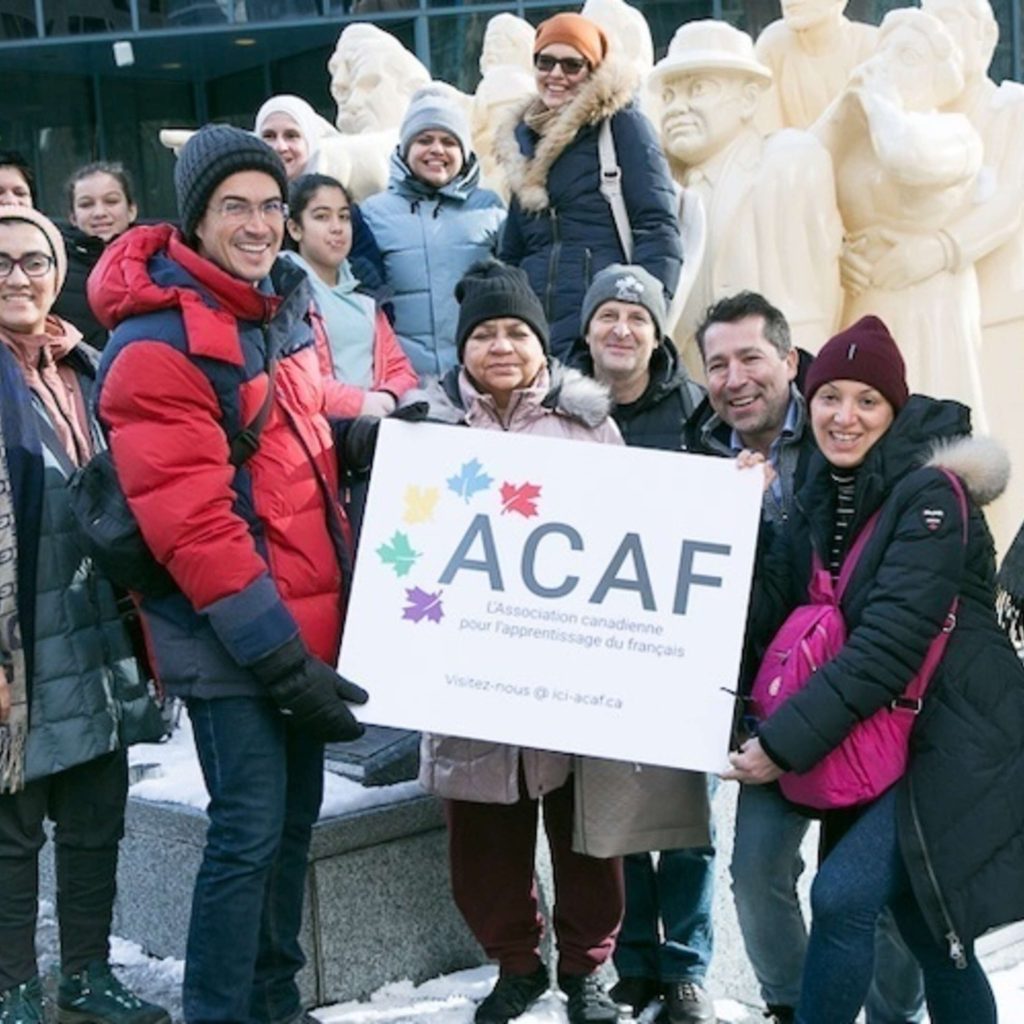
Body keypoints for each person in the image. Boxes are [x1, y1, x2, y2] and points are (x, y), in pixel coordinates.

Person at [88, 124, 368, 1024]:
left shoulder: (271, 310)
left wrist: (389, 426)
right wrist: (282, 661)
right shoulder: (157, 346)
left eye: (270, 206)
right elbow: (197, 526)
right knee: (247, 834)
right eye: (234, 206)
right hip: (232, 634)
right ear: (197, 218)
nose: (258, 224)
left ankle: (272, 1000)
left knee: (287, 828)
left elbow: (306, 424)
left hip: (295, 616)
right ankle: (220, 1010)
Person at [726, 316, 1024, 1024]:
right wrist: (747, 517)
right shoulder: (821, 490)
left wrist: (783, 743)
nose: (844, 416)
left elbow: (888, 645)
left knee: (842, 897)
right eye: (830, 397)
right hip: (884, 732)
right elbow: (780, 615)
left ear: (894, 412)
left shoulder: (929, 498)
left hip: (954, 737)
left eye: (867, 401)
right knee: (931, 931)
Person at [690, 292, 922, 1024]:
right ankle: (793, 1006)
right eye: (717, 364)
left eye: (751, 357)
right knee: (756, 871)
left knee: (867, 892)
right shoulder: (699, 454)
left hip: (873, 708)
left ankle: (893, 1013)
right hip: (775, 705)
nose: (734, 379)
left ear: (790, 362)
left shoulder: (851, 433)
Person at [417, 260, 624, 1024]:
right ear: (462, 347)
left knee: (588, 836)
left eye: (516, 332)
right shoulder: (427, 426)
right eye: (485, 333)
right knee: (482, 840)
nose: (501, 346)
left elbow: (630, 527)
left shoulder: (588, 425)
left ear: (541, 345)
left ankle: (586, 969)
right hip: (467, 670)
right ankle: (516, 963)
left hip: (570, 672)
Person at [0, 206, 169, 1024]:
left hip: (102, 627)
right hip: (18, 639)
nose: (18, 277)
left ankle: (86, 975)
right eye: (0, 262)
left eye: (34, 261)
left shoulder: (93, 368)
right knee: (12, 830)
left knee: (96, 822)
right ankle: (14, 989)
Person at [572, 264, 712, 1024]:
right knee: (618, 810)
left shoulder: (696, 411)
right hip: (598, 639)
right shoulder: (560, 405)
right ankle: (635, 960)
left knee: (686, 815)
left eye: (637, 317)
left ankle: (687, 966)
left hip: (679, 641)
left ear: (658, 334)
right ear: (587, 328)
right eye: (608, 316)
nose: (621, 329)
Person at [651, 21, 842, 364]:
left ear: (749, 99)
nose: (677, 107)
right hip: (693, 386)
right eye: (669, 95)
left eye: (698, 89)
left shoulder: (788, 160)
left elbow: (820, 286)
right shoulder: (662, 188)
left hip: (776, 383)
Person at [496, 12, 682, 359]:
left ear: (593, 70)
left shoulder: (622, 125)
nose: (556, 75)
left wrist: (648, 316)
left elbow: (658, 228)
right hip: (533, 334)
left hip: (603, 329)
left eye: (572, 65)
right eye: (545, 62)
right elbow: (513, 249)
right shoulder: (523, 139)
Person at [361, 85, 505, 380]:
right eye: (424, 140)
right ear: (405, 148)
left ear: (464, 152)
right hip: (402, 382)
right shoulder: (372, 213)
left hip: (478, 381)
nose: (437, 149)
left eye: (449, 141)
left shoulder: (491, 208)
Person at [282, 173, 416, 418]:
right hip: (312, 431)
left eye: (344, 217)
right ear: (295, 228)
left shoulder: (364, 288)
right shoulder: (284, 288)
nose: (337, 228)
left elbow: (400, 367)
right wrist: (360, 404)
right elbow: (293, 378)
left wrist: (387, 396)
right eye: (322, 217)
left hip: (368, 429)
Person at [256, 94, 386, 292]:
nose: (280, 147)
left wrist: (362, 278)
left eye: (292, 135)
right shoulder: (249, 210)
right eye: (269, 136)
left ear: (310, 141)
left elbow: (374, 278)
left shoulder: (341, 205)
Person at [52, 162, 138, 350]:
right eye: (86, 204)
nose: (99, 213)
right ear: (73, 217)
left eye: (111, 201)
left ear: (132, 211)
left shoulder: (160, 263)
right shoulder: (55, 270)